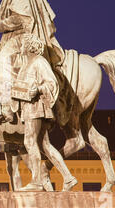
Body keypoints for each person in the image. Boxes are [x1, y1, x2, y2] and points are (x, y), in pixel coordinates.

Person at [0, 0, 64, 122]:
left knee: (1, 61)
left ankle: (5, 107)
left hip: (22, 38)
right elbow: (10, 14)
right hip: (13, 37)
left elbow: (21, 19)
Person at [9, 34, 77, 191]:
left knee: (29, 142)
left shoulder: (39, 61)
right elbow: (23, 86)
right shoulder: (27, 65)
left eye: (23, 44)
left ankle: (37, 182)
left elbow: (51, 83)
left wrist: (37, 89)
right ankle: (68, 177)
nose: (21, 47)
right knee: (44, 145)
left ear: (30, 46)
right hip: (28, 108)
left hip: (36, 108)